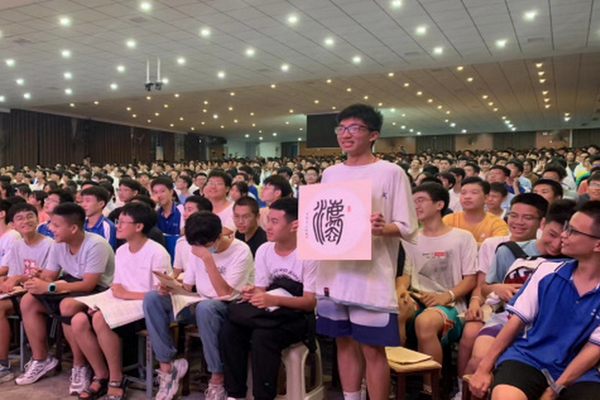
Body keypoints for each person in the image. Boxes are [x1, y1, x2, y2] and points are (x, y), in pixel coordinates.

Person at [315, 104, 418, 400]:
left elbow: (408, 227)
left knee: (373, 349)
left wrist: (383, 228)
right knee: (343, 343)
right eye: (341, 128)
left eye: (355, 128)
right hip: (334, 274)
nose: (345, 134)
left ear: (373, 135)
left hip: (371, 277)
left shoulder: (391, 172)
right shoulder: (330, 173)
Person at [470, 201, 600, 400]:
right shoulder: (546, 271)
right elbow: (515, 323)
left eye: (572, 231)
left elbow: (593, 349)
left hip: (579, 371)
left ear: (597, 244)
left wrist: (554, 390)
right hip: (528, 358)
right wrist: (483, 368)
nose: (564, 235)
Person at [142, 211, 253, 400]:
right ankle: (168, 368)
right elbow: (187, 286)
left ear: (219, 236)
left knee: (206, 307)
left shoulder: (240, 251)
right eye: (194, 245)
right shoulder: (196, 248)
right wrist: (170, 286)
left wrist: (208, 259)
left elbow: (224, 293)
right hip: (199, 301)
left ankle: (217, 378)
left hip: (228, 307)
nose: (198, 249)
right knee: (153, 298)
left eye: (205, 245)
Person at [70, 202, 171, 400]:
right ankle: (101, 374)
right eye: (118, 221)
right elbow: (116, 287)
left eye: (123, 222)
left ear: (139, 226)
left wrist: (125, 295)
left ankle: (116, 378)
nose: (118, 226)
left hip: (144, 308)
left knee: (100, 318)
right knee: (78, 320)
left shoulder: (157, 252)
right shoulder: (122, 250)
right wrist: (100, 303)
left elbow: (159, 296)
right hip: (121, 303)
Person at [220, 197, 317, 400]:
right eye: (268, 221)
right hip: (270, 313)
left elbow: (310, 303)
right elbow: (262, 289)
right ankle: (235, 394)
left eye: (274, 222)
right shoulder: (264, 250)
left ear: (294, 225)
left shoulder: (309, 254)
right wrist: (252, 292)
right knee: (230, 330)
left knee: (263, 337)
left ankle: (263, 396)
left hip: (298, 317)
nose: (268, 227)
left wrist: (275, 301)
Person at [16, 203, 115, 394]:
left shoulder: (96, 245)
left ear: (73, 228)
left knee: (67, 305)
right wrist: (40, 277)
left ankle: (80, 365)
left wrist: (50, 286)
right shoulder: (58, 244)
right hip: (70, 285)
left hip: (100, 290)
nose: (50, 228)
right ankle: (41, 359)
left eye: (55, 225)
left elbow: (89, 284)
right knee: (28, 300)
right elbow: (50, 276)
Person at [398, 183, 477, 395]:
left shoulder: (462, 237)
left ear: (439, 204)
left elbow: (470, 279)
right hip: (418, 297)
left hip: (451, 304)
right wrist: (401, 290)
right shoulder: (410, 238)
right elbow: (406, 274)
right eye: (413, 202)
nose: (415, 206)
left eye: (421, 200)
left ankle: (430, 390)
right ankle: (395, 378)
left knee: (425, 322)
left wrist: (445, 296)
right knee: (394, 310)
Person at [0, 203, 53, 383]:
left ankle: (3, 365)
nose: (26, 221)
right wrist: (10, 282)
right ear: (13, 224)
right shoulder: (17, 245)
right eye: (20, 218)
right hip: (21, 291)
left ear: (38, 219)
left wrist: (16, 279)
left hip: (40, 294)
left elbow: (47, 278)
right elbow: (14, 275)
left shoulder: (49, 244)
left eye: (30, 216)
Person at [443, 177, 509, 245]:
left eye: (474, 193)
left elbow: (495, 246)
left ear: (486, 198)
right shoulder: (448, 220)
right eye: (463, 193)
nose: (467, 197)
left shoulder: (497, 223)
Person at [172, 196, 213, 280]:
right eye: (185, 209)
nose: (185, 214)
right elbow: (176, 272)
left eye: (189, 210)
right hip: (185, 282)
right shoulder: (181, 242)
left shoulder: (212, 242)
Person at [203, 171, 236, 236]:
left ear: (227, 189)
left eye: (218, 183)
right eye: (210, 183)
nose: (213, 186)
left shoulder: (234, 208)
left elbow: (228, 230)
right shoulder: (201, 207)